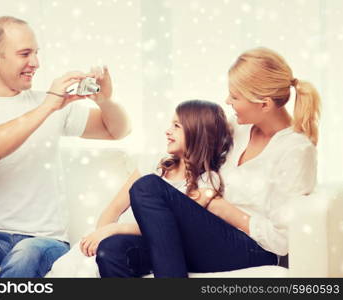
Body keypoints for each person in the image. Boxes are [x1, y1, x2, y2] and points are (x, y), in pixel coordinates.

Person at [0, 16, 131, 278]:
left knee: (26, 254)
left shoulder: (54, 105)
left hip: (44, 242)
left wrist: (106, 101)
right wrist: (46, 107)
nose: (35, 63)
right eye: (25, 54)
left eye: (36, 53)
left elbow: (117, 130)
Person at [96, 47, 320, 277]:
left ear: (264, 104)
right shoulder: (237, 129)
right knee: (112, 251)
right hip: (206, 235)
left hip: (251, 248)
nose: (227, 101)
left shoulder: (296, 150)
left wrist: (218, 206)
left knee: (147, 187)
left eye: (235, 97)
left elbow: (281, 240)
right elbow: (196, 140)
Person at [47, 99, 233, 277]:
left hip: (148, 246)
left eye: (176, 126)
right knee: (74, 266)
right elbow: (113, 209)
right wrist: (100, 235)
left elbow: (169, 229)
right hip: (114, 237)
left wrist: (114, 230)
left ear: (197, 132)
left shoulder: (207, 182)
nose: (167, 131)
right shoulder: (155, 165)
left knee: (112, 250)